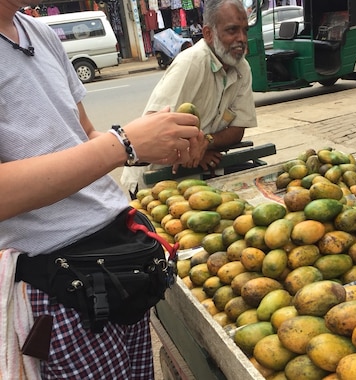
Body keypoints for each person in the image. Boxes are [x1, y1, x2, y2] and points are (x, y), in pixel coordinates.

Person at [0, 1, 200, 378]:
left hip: (119, 264)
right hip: (59, 288)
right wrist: (123, 143)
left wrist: (148, 142)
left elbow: (83, 136)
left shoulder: (38, 32)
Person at [121, 0, 258, 197]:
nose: (242, 38)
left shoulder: (242, 69)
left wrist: (205, 142)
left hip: (195, 179)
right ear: (209, 34)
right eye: (232, 30)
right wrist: (190, 148)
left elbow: (237, 130)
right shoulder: (191, 63)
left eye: (245, 30)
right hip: (154, 180)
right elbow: (152, 127)